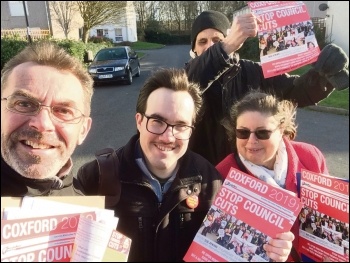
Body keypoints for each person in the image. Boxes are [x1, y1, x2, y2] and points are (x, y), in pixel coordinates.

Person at [76, 68, 294, 262]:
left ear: (191, 130)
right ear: (139, 122)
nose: (168, 137)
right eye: (158, 122)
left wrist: (268, 252)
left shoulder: (212, 181)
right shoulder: (95, 178)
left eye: (180, 125)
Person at [185, 10, 349, 166]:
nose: (210, 46)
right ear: (194, 49)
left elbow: (295, 91)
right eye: (202, 41)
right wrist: (225, 46)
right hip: (202, 177)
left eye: (217, 40)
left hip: (248, 174)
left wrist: (323, 75)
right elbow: (192, 82)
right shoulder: (185, 78)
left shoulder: (253, 71)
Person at [215, 90, 329, 261]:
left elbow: (329, 214)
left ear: (281, 129)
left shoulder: (310, 156)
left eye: (262, 133)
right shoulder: (222, 175)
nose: (252, 140)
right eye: (243, 132)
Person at [1, 41, 94, 197]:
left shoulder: (83, 207)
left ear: (83, 130)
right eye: (24, 104)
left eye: (63, 111)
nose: (42, 124)